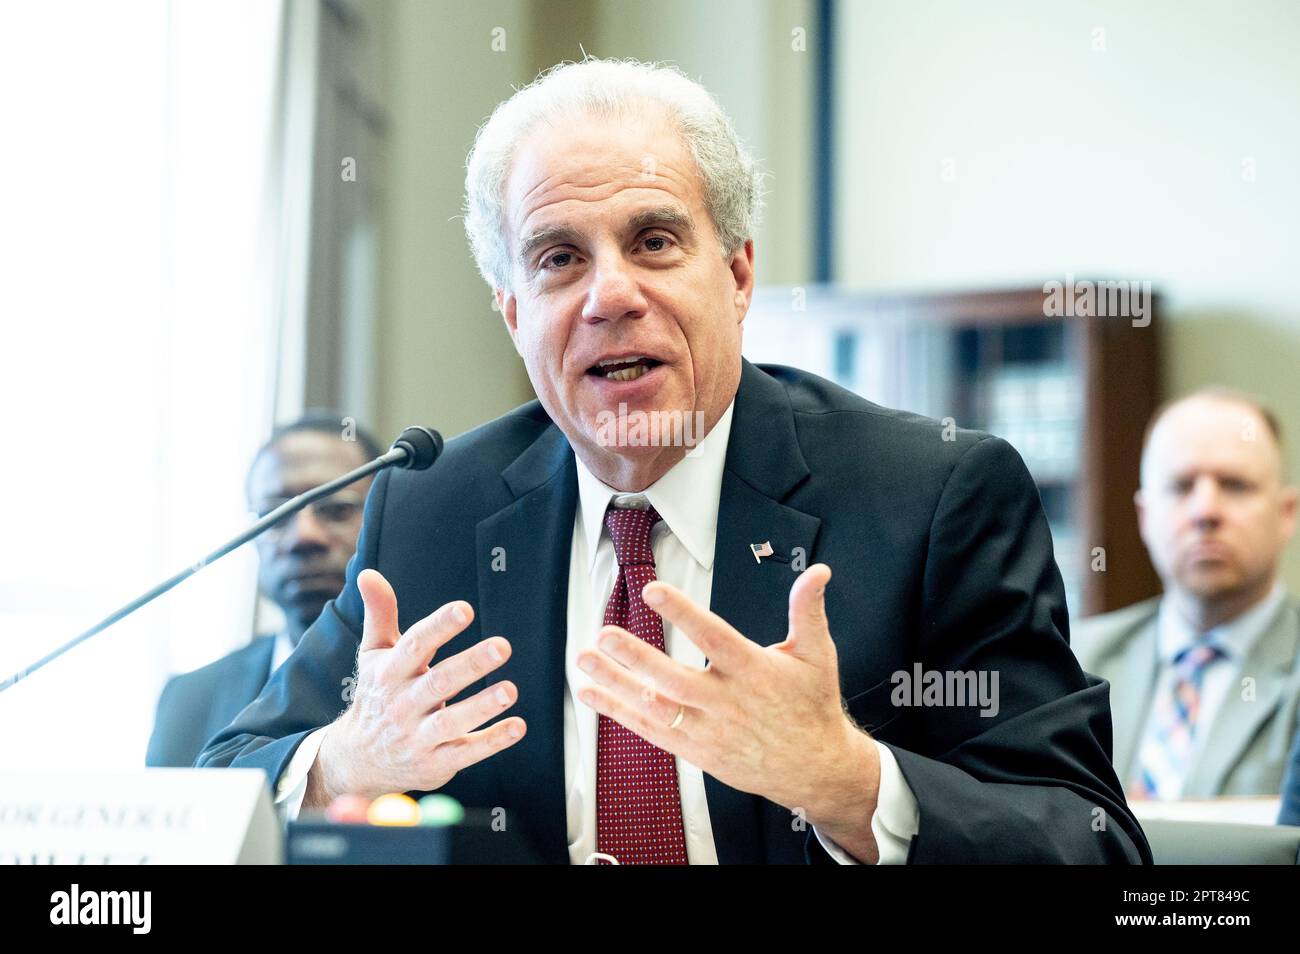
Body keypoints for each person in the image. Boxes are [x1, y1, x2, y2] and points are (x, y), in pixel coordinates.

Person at [199, 58, 1149, 864]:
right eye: (558, 258)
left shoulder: (933, 495)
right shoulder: (434, 508)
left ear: (737, 275)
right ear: (513, 313)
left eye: (654, 241)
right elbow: (222, 777)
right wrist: (342, 763)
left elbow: (1090, 838)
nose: (611, 294)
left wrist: (850, 783)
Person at [1074, 389, 1300, 801]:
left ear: (1287, 514)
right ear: (1144, 517)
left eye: (1235, 485)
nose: (1205, 511)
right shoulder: (1076, 662)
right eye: (1180, 486)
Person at [146, 413, 380, 767]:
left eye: (336, 509)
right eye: (275, 514)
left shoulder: (452, 679)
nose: (304, 536)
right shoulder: (190, 700)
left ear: (383, 517)